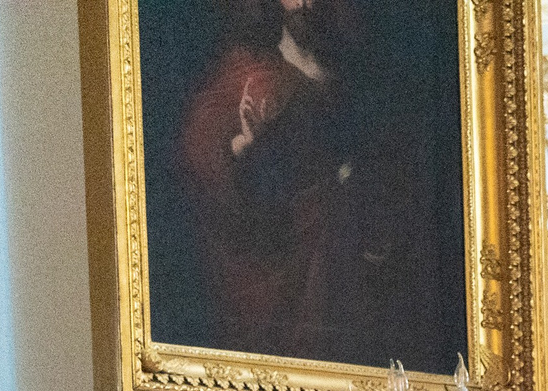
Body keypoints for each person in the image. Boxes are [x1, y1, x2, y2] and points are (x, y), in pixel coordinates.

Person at [171, 0, 460, 367]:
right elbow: (203, 156)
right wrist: (240, 149)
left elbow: (393, 177)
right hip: (290, 268)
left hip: (354, 262)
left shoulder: (359, 81)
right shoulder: (250, 78)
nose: (307, 4)